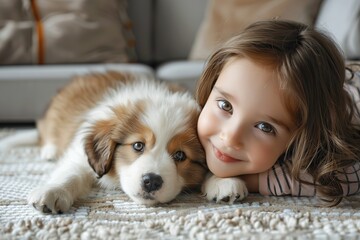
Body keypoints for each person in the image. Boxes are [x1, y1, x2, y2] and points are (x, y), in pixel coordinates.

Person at [196, 19, 360, 206]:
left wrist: (255, 181)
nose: (231, 137)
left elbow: (343, 177)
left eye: (264, 127)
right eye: (226, 106)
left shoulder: (332, 136)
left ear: (302, 138)